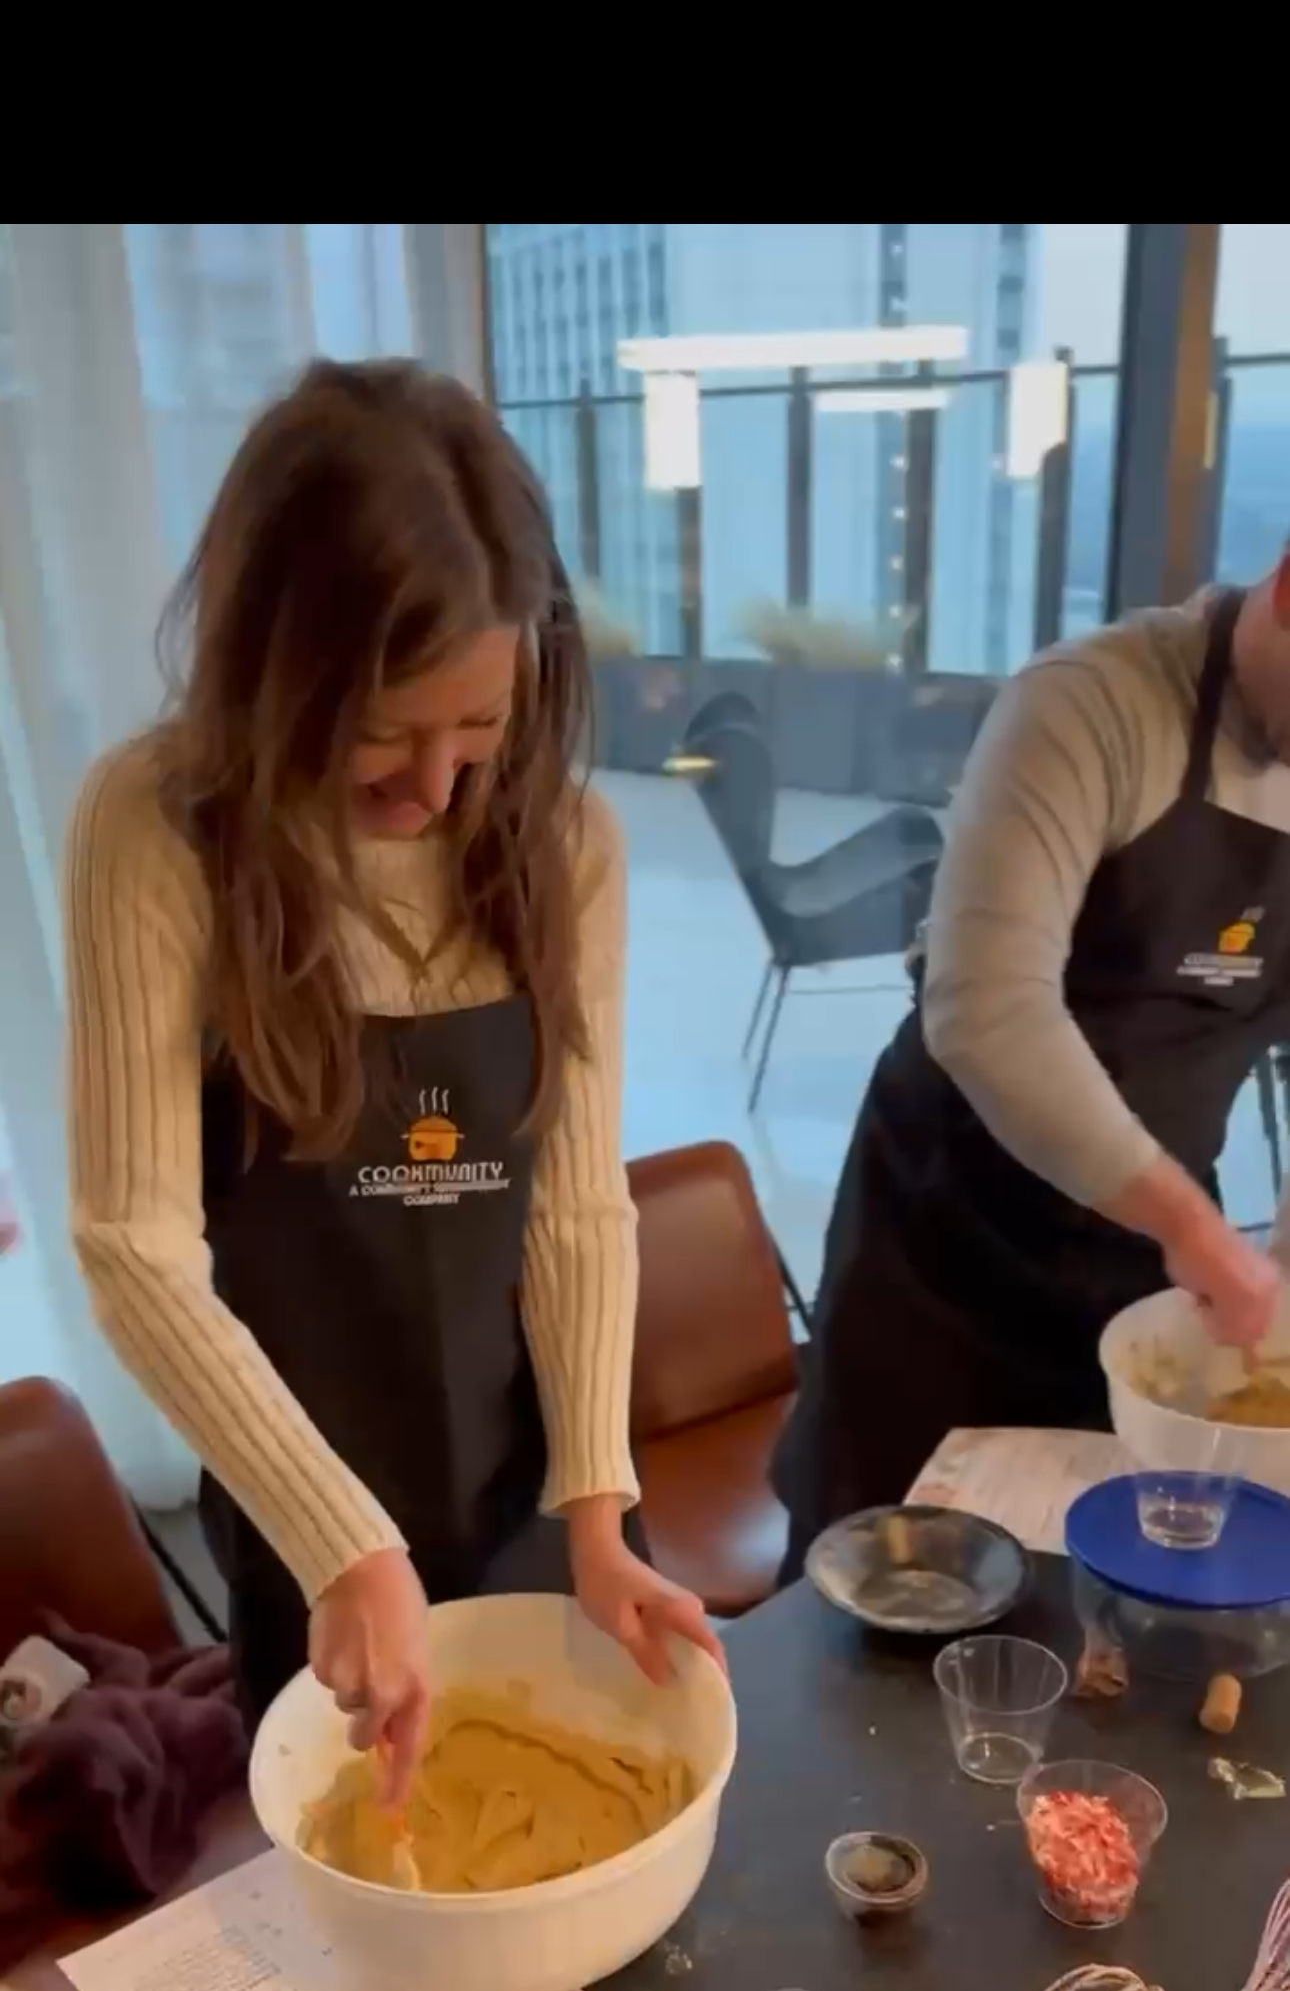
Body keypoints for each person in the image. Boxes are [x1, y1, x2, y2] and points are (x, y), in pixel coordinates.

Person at [66, 359, 719, 1795]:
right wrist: (341, 1544)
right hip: (304, 1504)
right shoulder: (160, 831)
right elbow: (135, 1252)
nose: (435, 792)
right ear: (273, 678)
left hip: (532, 1482)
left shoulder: (564, 847)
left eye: (477, 733)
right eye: (381, 739)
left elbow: (573, 1210)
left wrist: (600, 1508)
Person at [776, 562, 1290, 1568]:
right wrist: (1190, 1223)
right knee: (882, 1585)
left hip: (1146, 1278)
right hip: (947, 1243)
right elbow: (986, 1008)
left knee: (1092, 1595)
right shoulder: (1090, 703)